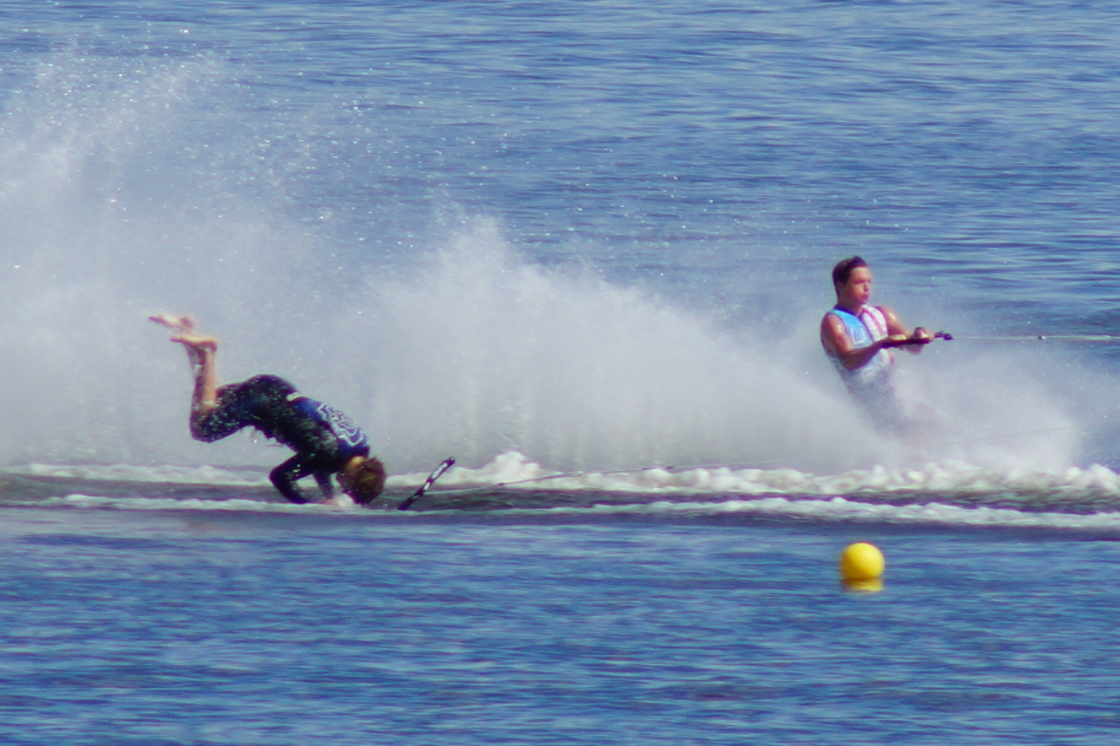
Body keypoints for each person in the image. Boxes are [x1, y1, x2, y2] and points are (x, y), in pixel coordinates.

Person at [151, 315, 386, 506]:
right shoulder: (330, 453)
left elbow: (319, 463)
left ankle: (188, 330)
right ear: (352, 480)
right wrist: (309, 506)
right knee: (203, 429)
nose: (342, 487)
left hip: (276, 389)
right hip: (261, 403)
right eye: (347, 488)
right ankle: (207, 351)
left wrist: (327, 494)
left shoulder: (357, 447)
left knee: (208, 396)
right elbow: (281, 477)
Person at [819, 257, 931, 433]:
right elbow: (849, 362)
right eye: (858, 282)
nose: (866, 288)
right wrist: (880, 344)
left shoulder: (883, 314)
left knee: (932, 422)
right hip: (868, 405)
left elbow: (913, 348)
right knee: (910, 433)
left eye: (869, 282)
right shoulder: (833, 322)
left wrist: (919, 336)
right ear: (840, 286)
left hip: (897, 390)